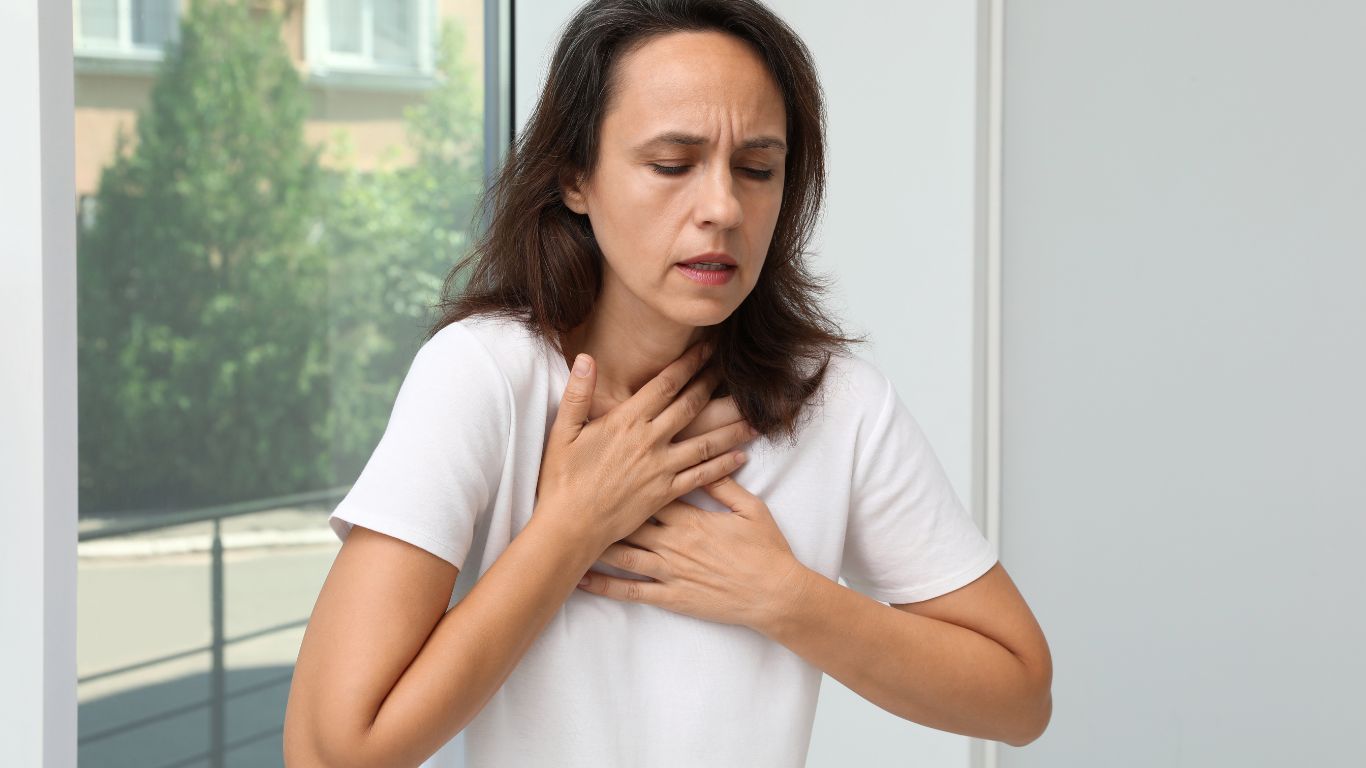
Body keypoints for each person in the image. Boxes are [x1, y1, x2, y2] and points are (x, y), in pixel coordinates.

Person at [284, 1, 1052, 765]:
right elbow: (331, 754)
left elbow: (1019, 698)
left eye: (757, 169)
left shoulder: (833, 401)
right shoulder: (483, 375)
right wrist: (569, 528)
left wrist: (784, 596)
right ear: (574, 178)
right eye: (671, 165)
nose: (722, 208)